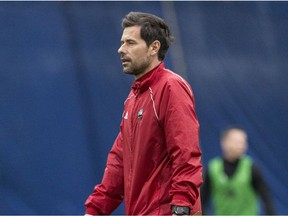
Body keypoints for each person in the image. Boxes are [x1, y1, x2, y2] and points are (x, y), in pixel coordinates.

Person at [85, 12, 203, 215]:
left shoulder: (171, 87)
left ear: (154, 47)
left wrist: (182, 207)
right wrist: (95, 209)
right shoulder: (133, 98)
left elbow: (186, 153)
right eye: (122, 42)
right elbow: (118, 162)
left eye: (130, 43)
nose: (121, 49)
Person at [201, 126, 276, 215]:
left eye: (243, 142)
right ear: (224, 142)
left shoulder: (251, 168)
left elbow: (267, 198)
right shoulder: (213, 168)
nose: (241, 146)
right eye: (236, 142)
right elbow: (202, 200)